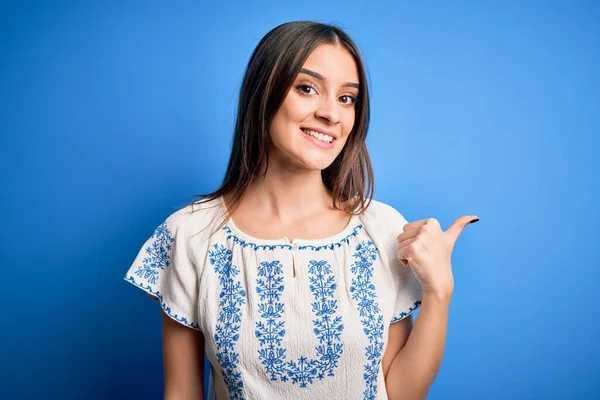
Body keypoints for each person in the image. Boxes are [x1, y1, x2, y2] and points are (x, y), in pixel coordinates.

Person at [123, 20, 478, 400]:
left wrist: (439, 292)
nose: (332, 114)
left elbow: (401, 394)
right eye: (307, 88)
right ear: (263, 93)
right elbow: (181, 392)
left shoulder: (383, 230)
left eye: (347, 98)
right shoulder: (191, 234)